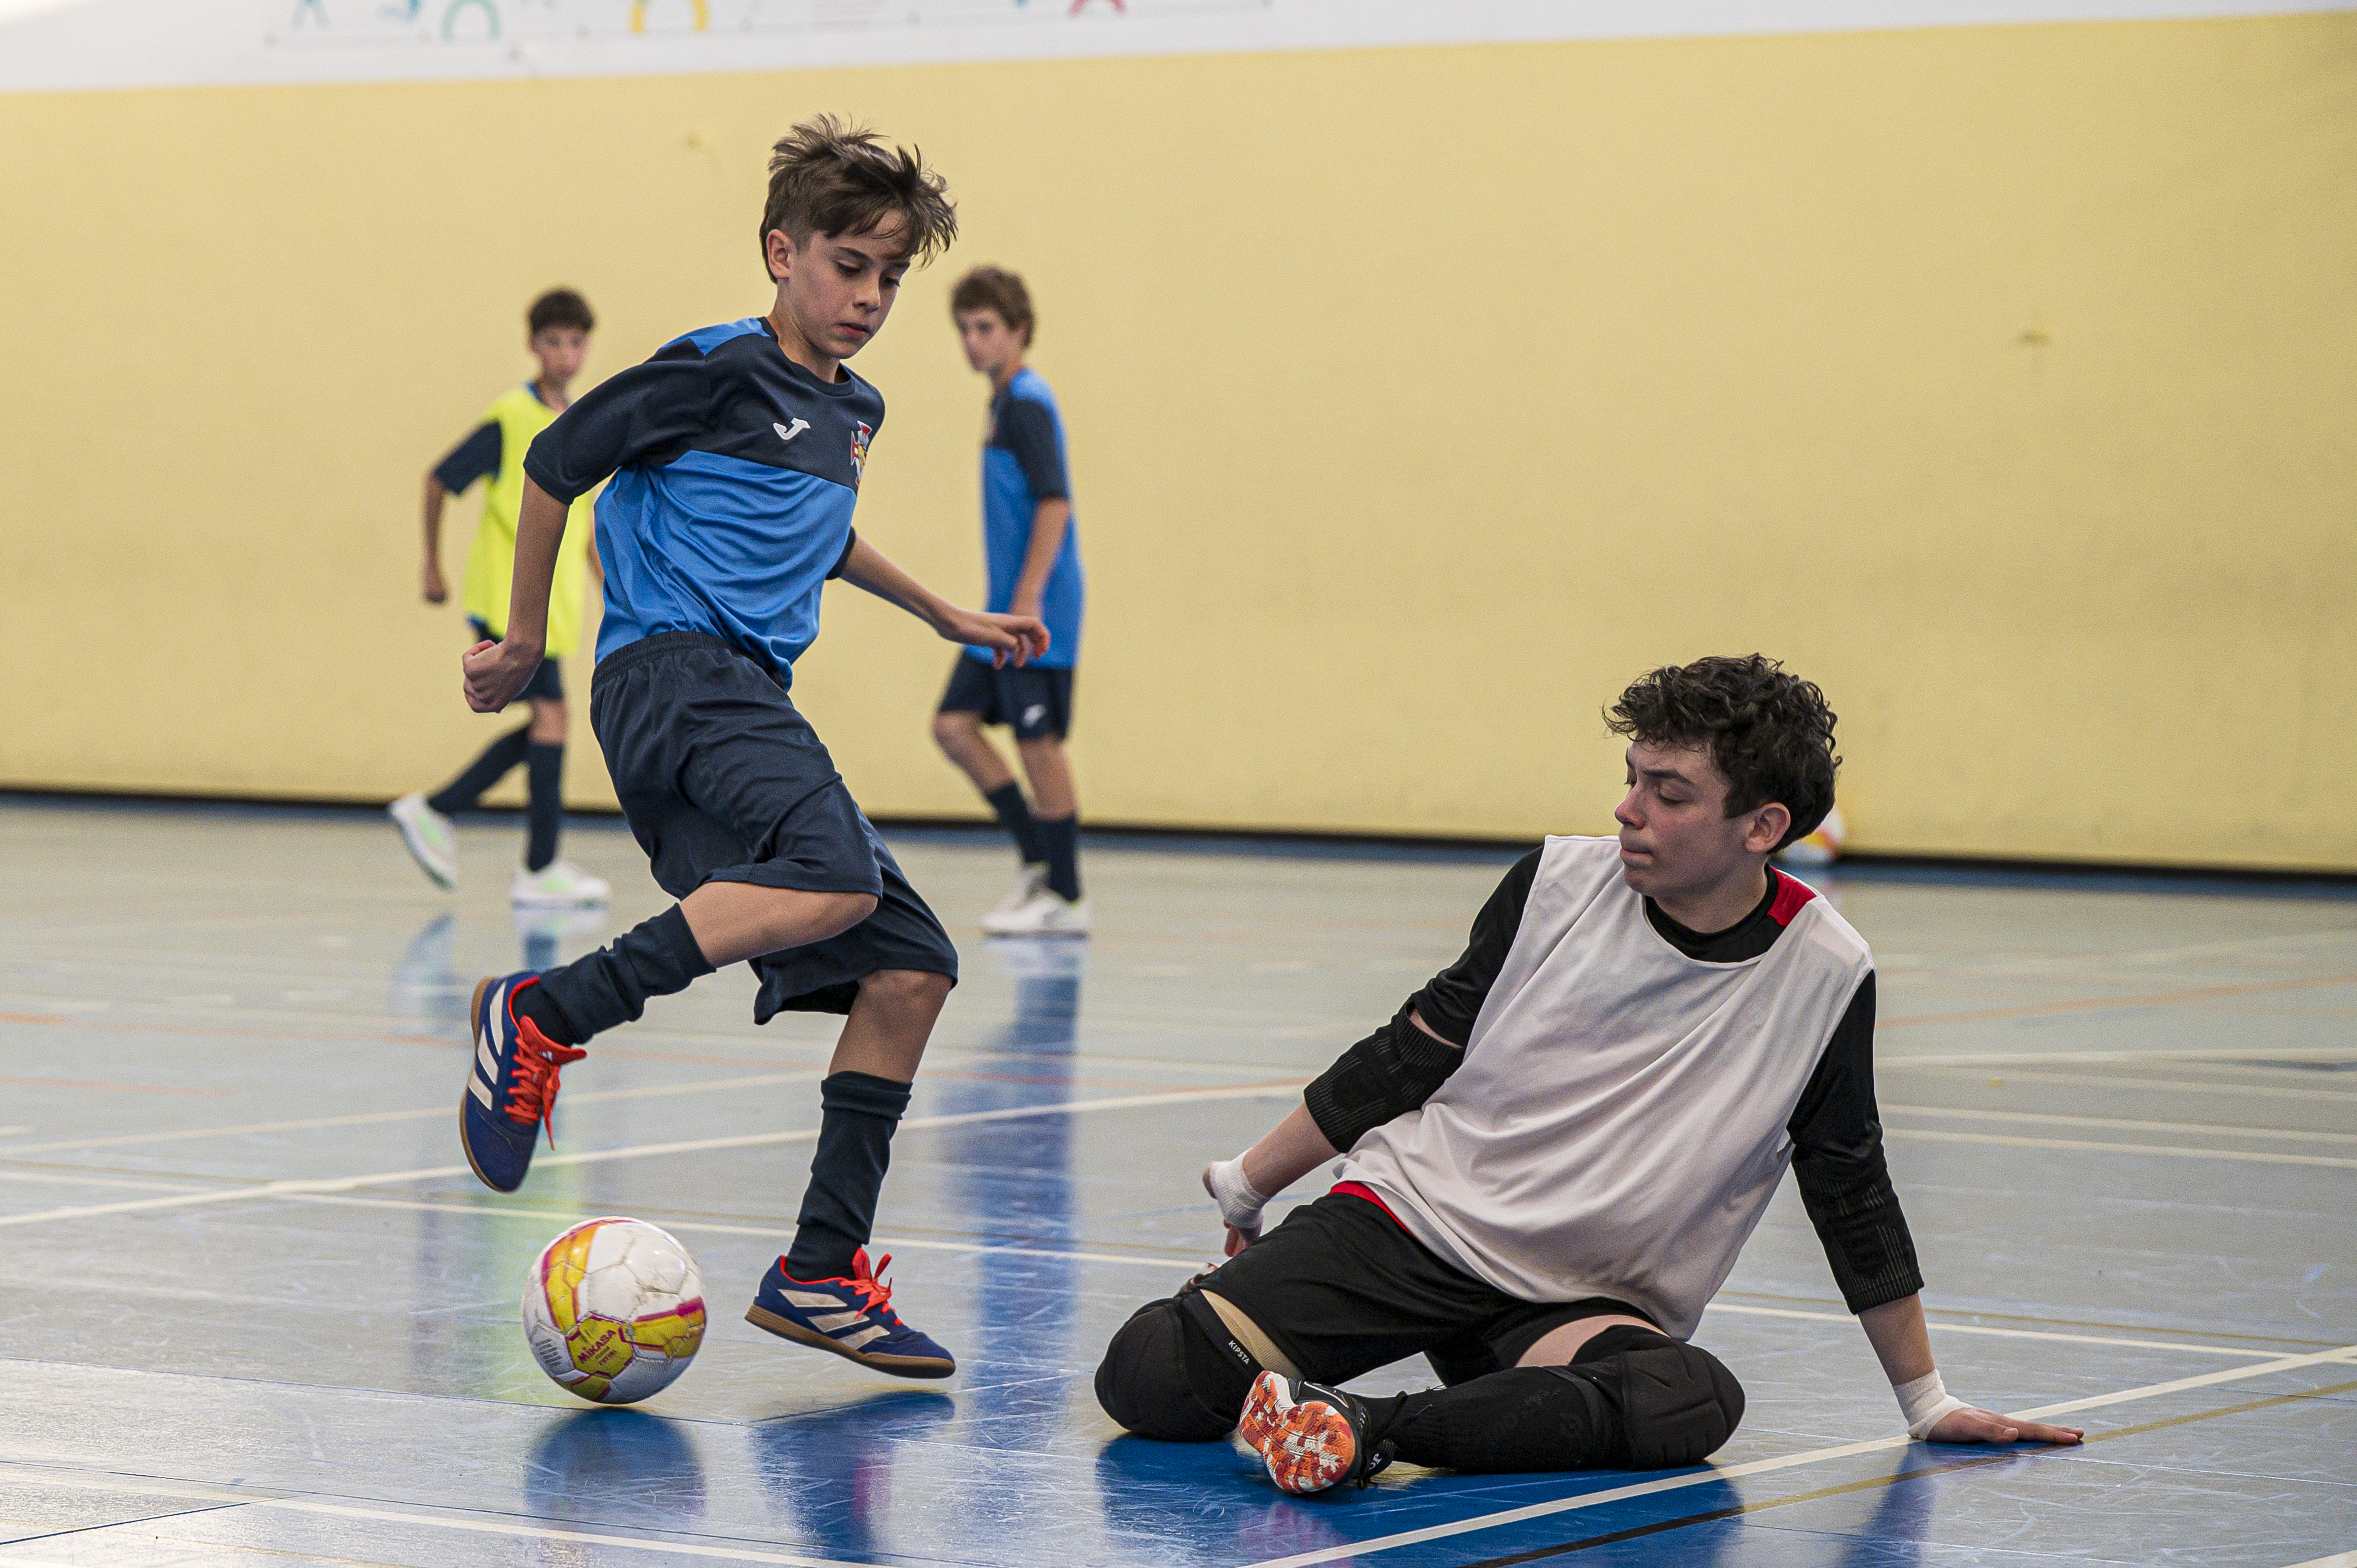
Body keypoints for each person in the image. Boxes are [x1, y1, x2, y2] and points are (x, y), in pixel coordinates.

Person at [1094, 656, 2084, 1492]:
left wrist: (1926, 1400)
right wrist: (1250, 1179)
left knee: (1689, 1396)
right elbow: (1407, 1053)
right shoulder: (1555, 885)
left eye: (1670, 791)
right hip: (1414, 1222)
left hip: (1573, 1297)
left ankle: (1364, 1426)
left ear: (1763, 826)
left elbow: (1849, 1185)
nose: (1629, 808)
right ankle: (1376, 1398)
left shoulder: (1827, 973)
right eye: (1631, 775)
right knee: (1151, 1376)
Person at [455, 117, 1047, 1379]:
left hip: (741, 698)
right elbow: (559, 465)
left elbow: (816, 529)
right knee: (837, 866)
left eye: (891, 276)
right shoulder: (712, 370)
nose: (870, 298)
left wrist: (945, 609)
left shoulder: (855, 409)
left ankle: (823, 1272)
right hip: (673, 676)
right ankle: (547, 1013)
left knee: (912, 967)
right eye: (847, 265)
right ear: (782, 252)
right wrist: (519, 644)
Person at [389, 288, 612, 909]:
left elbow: (586, 523)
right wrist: (431, 564)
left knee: (548, 722)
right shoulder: (511, 417)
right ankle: (531, 866)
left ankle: (442, 813)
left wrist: (612, 591)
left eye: (575, 342)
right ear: (533, 344)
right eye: (553, 341)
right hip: (507, 595)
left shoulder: (579, 422)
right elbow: (440, 479)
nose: (565, 354)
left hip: (554, 605)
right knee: (553, 719)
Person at [932, 267, 1089, 936]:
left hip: (1035, 606)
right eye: (964, 329)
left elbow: (1055, 501)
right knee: (954, 726)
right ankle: (1035, 860)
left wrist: (1028, 597)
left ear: (1018, 331)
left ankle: (1066, 894)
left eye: (985, 328)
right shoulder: (1001, 402)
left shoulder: (1027, 401)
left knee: (1038, 743)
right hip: (999, 607)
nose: (972, 341)